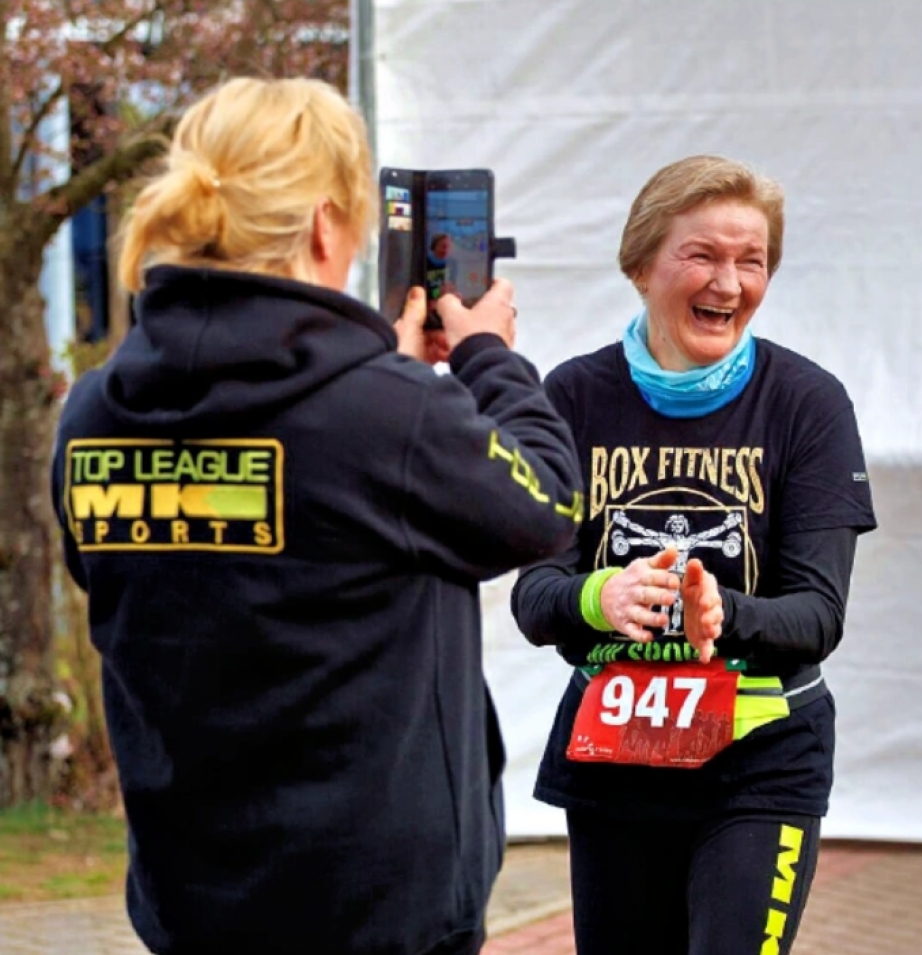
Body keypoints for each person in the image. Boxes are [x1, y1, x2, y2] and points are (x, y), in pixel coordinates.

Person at [51, 77, 583, 955]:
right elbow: (550, 504)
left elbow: (182, 558)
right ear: (325, 225)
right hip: (376, 910)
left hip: (191, 902)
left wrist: (391, 382)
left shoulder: (96, 412)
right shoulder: (388, 414)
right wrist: (486, 355)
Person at [511, 154, 877, 955]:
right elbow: (534, 596)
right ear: (641, 265)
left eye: (752, 261)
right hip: (617, 758)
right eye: (703, 255)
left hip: (760, 763)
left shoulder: (807, 403)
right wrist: (600, 596)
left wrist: (724, 612)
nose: (729, 283)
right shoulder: (572, 396)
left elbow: (818, 615)